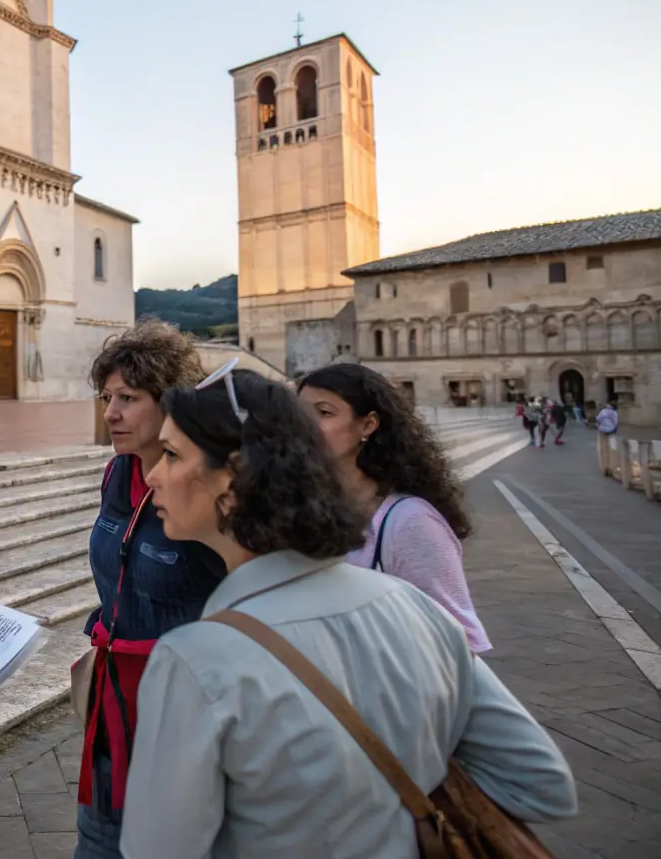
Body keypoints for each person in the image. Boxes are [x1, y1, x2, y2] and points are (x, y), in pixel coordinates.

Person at [119, 366, 577, 858]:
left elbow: (156, 851)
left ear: (234, 480)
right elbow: (541, 784)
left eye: (171, 455)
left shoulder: (196, 661)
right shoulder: (417, 608)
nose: (151, 475)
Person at [76, 320, 227, 859]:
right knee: (97, 843)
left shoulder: (207, 488)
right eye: (106, 397)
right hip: (112, 702)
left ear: (171, 405)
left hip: (181, 711)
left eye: (129, 398)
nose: (111, 412)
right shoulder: (117, 474)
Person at [297, 364, 491, 653]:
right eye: (298, 413)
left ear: (368, 425)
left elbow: (458, 640)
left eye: (324, 413)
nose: (304, 425)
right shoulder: (297, 506)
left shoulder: (410, 521)